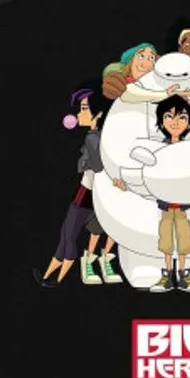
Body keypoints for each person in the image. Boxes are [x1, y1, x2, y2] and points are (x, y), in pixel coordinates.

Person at [113, 96, 190, 292]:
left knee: (184, 241)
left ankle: (183, 275)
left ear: (189, 122)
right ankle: (168, 275)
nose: (175, 122)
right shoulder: (157, 150)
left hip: (183, 208)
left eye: (182, 117)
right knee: (166, 242)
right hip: (165, 207)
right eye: (169, 116)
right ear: (161, 121)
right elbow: (146, 181)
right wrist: (126, 187)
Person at [34, 89, 122, 288]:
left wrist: (88, 161)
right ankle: (47, 277)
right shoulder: (96, 137)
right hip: (88, 193)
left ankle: (57, 280)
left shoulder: (94, 138)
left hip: (88, 196)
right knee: (67, 236)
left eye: (84, 108)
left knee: (69, 236)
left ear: (97, 114)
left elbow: (97, 166)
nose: (78, 114)